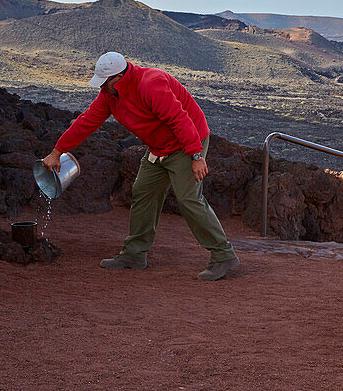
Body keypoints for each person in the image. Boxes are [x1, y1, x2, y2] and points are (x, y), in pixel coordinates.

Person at [42, 51, 240, 280]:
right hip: (157, 148)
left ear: (118, 78)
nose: (101, 89)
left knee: (188, 198)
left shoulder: (151, 84)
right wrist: (57, 152)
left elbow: (180, 119)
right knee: (143, 193)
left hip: (187, 141)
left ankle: (223, 255)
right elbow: (87, 121)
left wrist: (196, 156)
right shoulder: (110, 94)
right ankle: (134, 255)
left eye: (104, 83)